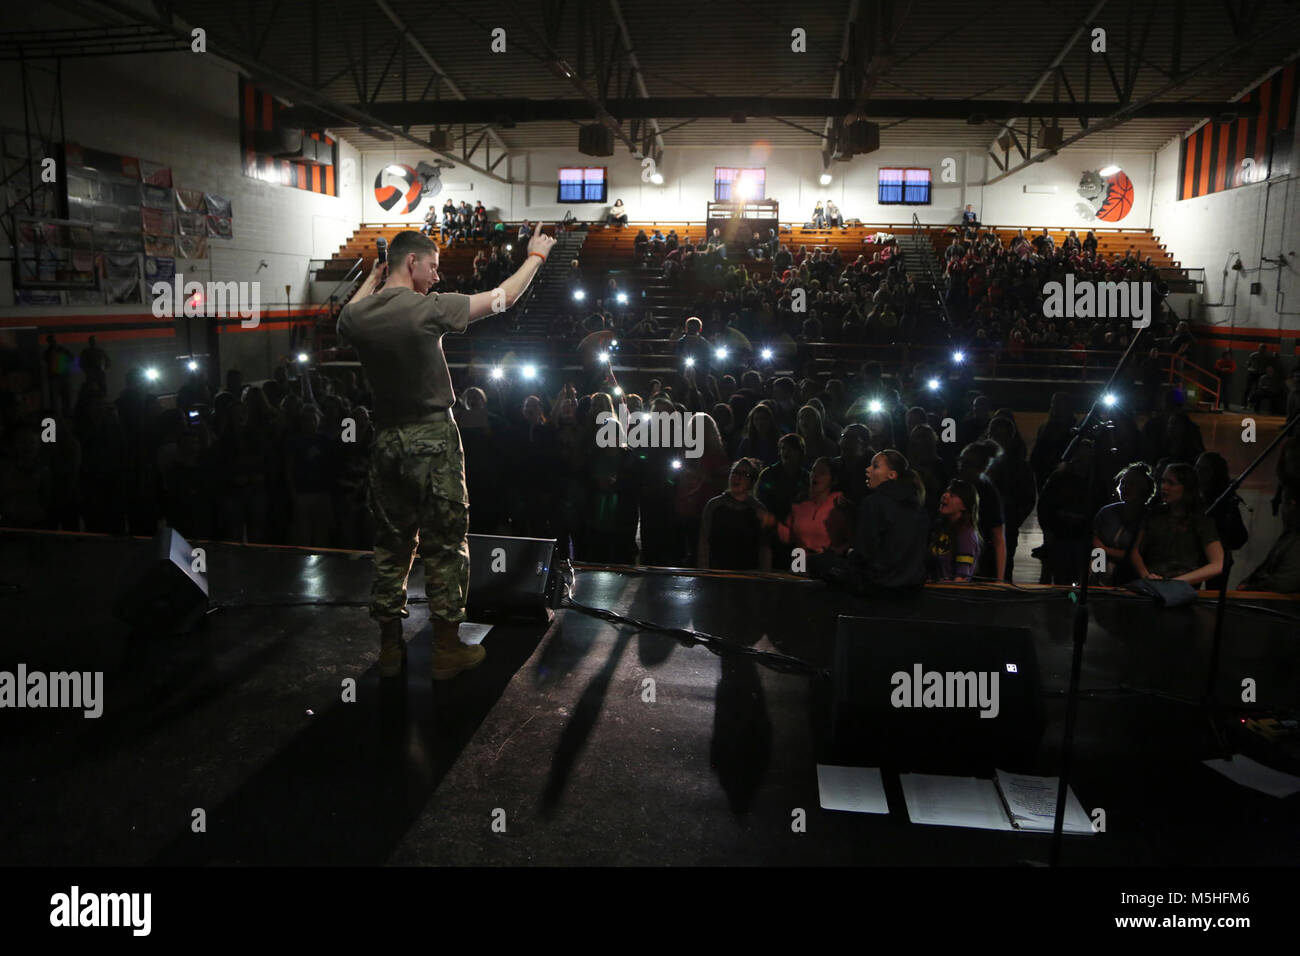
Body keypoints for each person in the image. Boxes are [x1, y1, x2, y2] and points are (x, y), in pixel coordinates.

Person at [336, 224, 556, 679]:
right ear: (412, 263)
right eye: (432, 267)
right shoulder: (427, 310)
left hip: (386, 442)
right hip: (432, 439)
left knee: (392, 548)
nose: (437, 277)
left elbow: (348, 312)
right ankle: (446, 649)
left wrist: (375, 276)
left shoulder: (357, 319)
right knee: (444, 545)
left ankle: (390, 649)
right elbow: (503, 299)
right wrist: (535, 257)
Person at [812, 449, 929, 594]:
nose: (867, 470)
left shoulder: (874, 503)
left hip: (878, 585)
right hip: (912, 587)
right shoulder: (919, 508)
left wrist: (849, 554)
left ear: (891, 475)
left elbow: (864, 554)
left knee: (817, 562)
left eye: (875, 466)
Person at [1130, 462, 1224, 587]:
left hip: (1182, 587)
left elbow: (1218, 564)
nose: (1164, 487)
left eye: (1171, 483)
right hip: (1151, 583)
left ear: (1186, 487)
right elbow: (1135, 550)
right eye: (1163, 481)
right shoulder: (1154, 514)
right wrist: (1146, 575)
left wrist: (1175, 582)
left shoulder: (1201, 520)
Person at [698, 458, 771, 570]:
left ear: (752, 482)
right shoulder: (714, 505)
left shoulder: (758, 510)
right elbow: (704, 542)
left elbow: (764, 548)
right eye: (735, 472)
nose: (737, 477)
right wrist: (704, 571)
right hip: (717, 574)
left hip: (748, 576)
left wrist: (764, 576)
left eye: (744, 474)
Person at [762, 456, 843, 558]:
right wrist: (773, 522)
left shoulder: (839, 504)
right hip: (800, 563)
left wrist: (832, 553)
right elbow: (789, 537)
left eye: (822, 473)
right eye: (814, 471)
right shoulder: (799, 504)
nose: (815, 475)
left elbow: (849, 541)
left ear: (833, 480)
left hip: (827, 566)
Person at [1093, 462, 1156, 585]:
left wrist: (1104, 549)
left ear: (1144, 489)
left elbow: (1137, 554)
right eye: (1123, 482)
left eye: (1131, 484)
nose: (1124, 487)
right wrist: (1095, 575)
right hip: (1100, 571)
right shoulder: (1107, 512)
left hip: (1130, 579)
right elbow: (1095, 544)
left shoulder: (1149, 518)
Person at [1238, 481, 1300, 593]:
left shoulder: (1295, 541)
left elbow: (1285, 583)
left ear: (1292, 504)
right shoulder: (1289, 536)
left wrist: (1251, 589)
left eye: (1283, 503)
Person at [927, 479, 981, 582]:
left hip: (946, 595)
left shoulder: (967, 536)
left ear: (964, 506)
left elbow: (961, 578)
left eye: (953, 495)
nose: (945, 495)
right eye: (946, 492)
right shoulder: (938, 527)